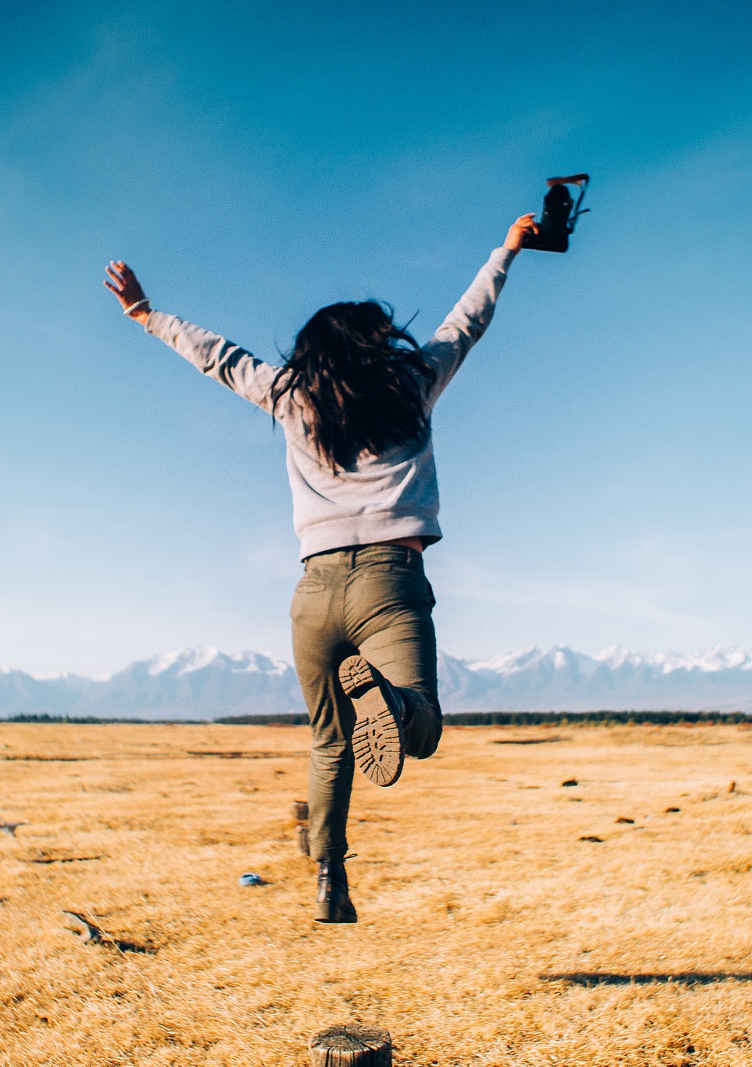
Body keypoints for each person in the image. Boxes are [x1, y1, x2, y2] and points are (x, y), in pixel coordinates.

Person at [104, 212, 539, 923]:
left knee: (330, 741)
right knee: (419, 726)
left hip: (313, 592)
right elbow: (467, 322)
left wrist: (148, 316)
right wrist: (507, 250)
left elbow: (220, 356)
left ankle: (329, 881)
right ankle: (394, 704)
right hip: (388, 585)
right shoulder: (413, 382)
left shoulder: (289, 396)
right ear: (378, 344)